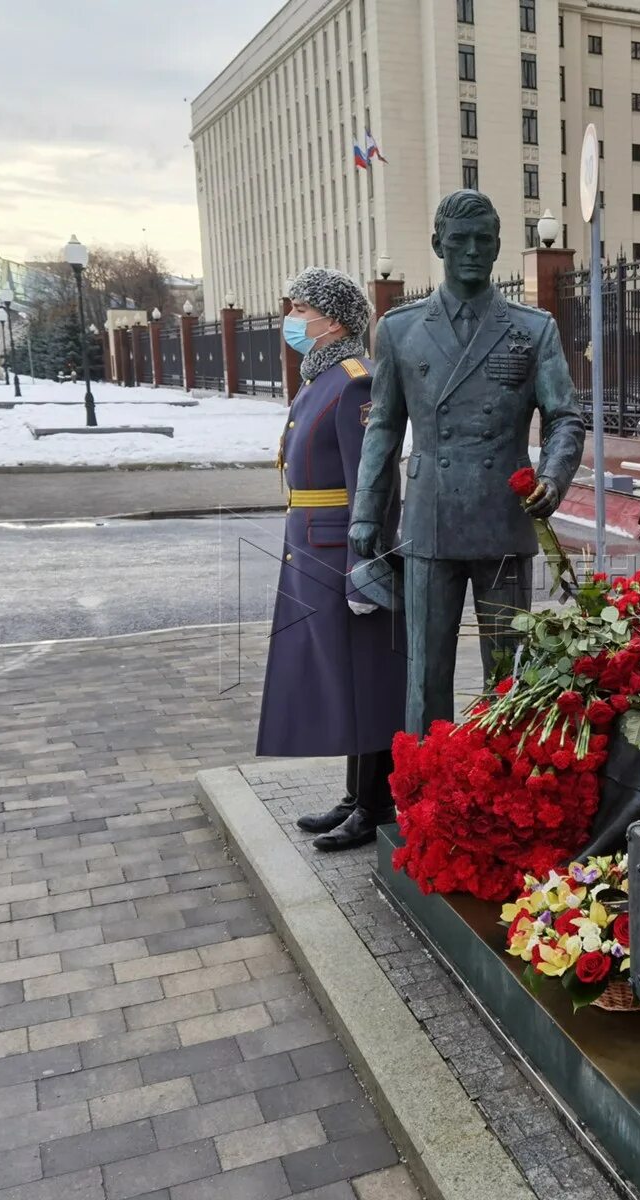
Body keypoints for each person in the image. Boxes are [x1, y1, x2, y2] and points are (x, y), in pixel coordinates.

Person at [350, 190, 585, 736]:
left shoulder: (532, 329)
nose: (473, 251)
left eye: (484, 240)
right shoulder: (400, 330)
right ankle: (425, 791)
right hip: (430, 520)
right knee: (426, 669)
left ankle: (495, 783)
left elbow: (565, 418)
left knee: (507, 670)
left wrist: (552, 476)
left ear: (500, 244)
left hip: (503, 519)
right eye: (460, 241)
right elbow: (383, 425)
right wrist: (366, 510)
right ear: (438, 245)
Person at [257, 267, 407, 852]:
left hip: (342, 554)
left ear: (335, 318)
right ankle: (355, 795)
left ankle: (376, 804)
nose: (291, 318)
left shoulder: (354, 382)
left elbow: (374, 483)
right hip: (312, 549)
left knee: (366, 678)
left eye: (300, 308)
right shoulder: (318, 377)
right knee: (344, 678)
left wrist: (366, 569)